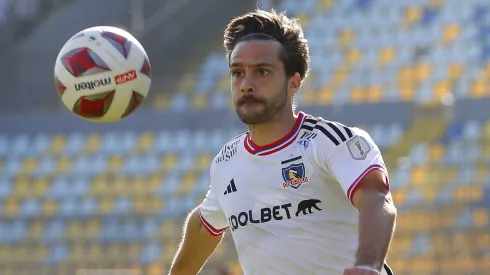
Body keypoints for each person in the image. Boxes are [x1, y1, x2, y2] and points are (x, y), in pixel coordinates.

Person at [169, 9, 397, 275]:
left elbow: (375, 197)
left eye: (262, 72)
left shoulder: (328, 142)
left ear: (294, 81)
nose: (246, 85)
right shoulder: (226, 162)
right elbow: (203, 224)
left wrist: (367, 264)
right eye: (237, 73)